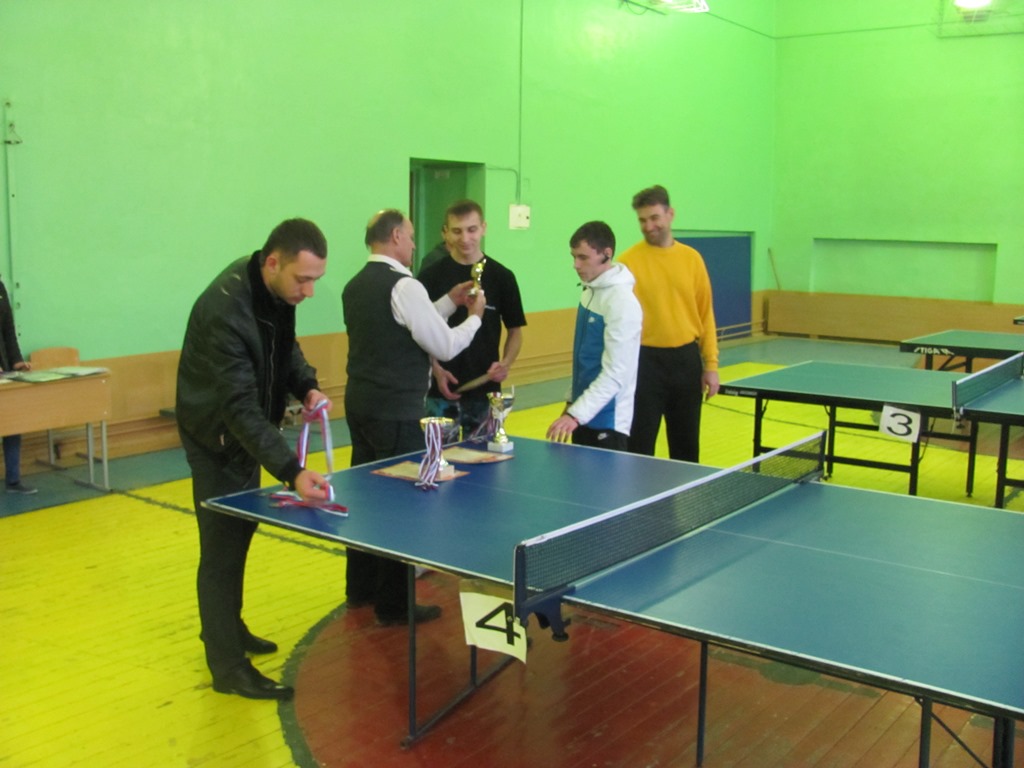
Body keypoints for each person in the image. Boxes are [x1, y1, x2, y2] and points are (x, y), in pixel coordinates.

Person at [176, 218, 333, 701]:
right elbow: (239, 408)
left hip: (243, 435)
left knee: (240, 534)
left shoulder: (274, 293)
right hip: (216, 438)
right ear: (272, 262)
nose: (308, 291)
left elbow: (285, 349)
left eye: (315, 280)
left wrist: (306, 385)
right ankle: (227, 668)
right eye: (302, 279)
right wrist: (292, 471)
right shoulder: (226, 311)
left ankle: (228, 627)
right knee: (221, 551)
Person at [342, 209, 485, 626]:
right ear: (396, 236)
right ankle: (395, 604)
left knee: (366, 498)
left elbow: (403, 325)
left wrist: (448, 301)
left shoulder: (355, 284)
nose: (414, 244)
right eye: (410, 236)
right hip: (396, 410)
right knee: (400, 504)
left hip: (361, 405)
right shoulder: (404, 285)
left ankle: (360, 588)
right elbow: (443, 345)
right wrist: (474, 317)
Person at [618, 185, 719, 463]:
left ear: (670, 214)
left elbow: (706, 314)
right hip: (644, 363)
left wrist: (711, 365)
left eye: (654, 218)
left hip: (686, 362)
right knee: (639, 445)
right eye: (642, 220)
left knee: (686, 447)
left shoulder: (692, 259)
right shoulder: (627, 263)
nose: (648, 226)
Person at [417, 200, 526, 439]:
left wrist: (505, 363)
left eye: (472, 230)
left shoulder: (502, 277)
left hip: (485, 390)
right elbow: (421, 332)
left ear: (483, 228)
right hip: (440, 390)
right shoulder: (429, 277)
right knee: (438, 456)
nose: (465, 238)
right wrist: (436, 370)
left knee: (483, 458)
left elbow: (515, 330)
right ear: (445, 232)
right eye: (457, 231)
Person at [546, 222, 641, 452]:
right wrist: (571, 403)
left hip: (608, 422)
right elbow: (584, 361)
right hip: (582, 416)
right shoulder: (588, 292)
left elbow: (616, 373)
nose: (575, 264)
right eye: (573, 257)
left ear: (606, 254)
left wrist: (575, 414)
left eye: (583, 257)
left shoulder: (622, 303)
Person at [0, 278, 37, 494]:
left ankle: (13, 480)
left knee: (12, 423)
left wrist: (16, 361)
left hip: (5, 372)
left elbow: (8, 330)